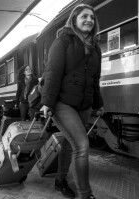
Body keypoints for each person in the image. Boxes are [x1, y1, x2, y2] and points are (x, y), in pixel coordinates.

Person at [40, 4, 104, 199]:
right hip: (62, 102)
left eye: (92, 17)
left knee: (70, 144)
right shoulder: (63, 41)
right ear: (74, 19)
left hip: (83, 105)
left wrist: (98, 103)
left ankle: (60, 180)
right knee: (82, 145)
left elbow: (94, 79)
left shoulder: (95, 48)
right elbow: (53, 73)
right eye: (84, 16)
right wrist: (48, 102)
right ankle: (85, 194)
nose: (89, 20)